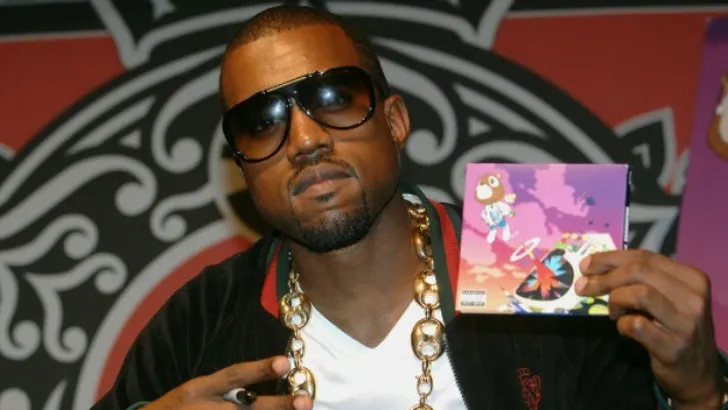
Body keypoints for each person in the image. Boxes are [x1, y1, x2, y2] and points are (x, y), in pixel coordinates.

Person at [90, 5, 726, 410]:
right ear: (243, 167)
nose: (305, 140)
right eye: (262, 123)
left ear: (394, 122)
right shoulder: (200, 322)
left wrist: (701, 395)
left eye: (335, 97)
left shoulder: (534, 262)